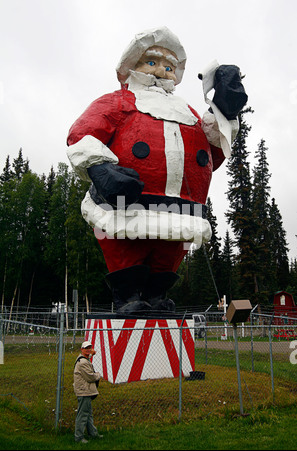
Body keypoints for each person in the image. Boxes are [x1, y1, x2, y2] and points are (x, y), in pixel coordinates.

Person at [67, 26, 247, 315]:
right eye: (152, 62)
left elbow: (214, 152)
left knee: (169, 251)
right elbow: (83, 134)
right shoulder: (118, 102)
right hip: (126, 203)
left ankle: (157, 294)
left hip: (182, 207)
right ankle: (127, 296)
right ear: (133, 66)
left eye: (169, 66)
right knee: (127, 246)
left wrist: (224, 112)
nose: (162, 71)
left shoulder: (187, 111)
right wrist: (100, 170)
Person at [73, 340, 101, 443]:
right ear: (82, 349)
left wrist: (91, 354)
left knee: (88, 414)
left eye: (90, 347)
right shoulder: (83, 362)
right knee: (82, 414)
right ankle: (79, 437)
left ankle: (92, 433)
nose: (88, 349)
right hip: (84, 391)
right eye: (86, 348)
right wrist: (98, 375)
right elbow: (90, 377)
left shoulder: (83, 358)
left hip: (85, 390)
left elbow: (87, 357)